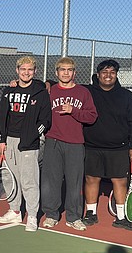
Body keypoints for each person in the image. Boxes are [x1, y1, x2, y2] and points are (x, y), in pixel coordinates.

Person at [80, 60, 132, 231]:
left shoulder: (128, 96)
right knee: (91, 179)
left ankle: (121, 217)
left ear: (116, 75)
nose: (108, 75)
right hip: (92, 146)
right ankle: (91, 213)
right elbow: (64, 86)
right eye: (104, 72)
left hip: (119, 148)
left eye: (112, 72)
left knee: (120, 181)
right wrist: (46, 84)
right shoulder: (87, 92)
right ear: (97, 75)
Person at [0, 56, 51, 232]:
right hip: (8, 141)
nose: (26, 72)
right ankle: (15, 211)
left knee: (29, 180)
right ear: (17, 70)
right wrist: (0, 140)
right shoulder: (7, 91)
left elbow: (46, 120)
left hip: (29, 143)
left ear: (35, 72)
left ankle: (32, 215)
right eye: (23, 69)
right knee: (10, 178)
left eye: (30, 69)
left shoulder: (40, 93)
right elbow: (2, 117)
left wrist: (33, 135)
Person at [41, 57, 98, 231]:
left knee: (74, 182)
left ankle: (73, 216)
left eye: (69, 70)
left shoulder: (83, 92)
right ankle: (51, 214)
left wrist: (73, 111)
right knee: (51, 181)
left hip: (75, 143)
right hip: (53, 141)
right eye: (62, 69)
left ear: (74, 72)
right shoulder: (49, 91)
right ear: (56, 72)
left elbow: (91, 117)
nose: (66, 73)